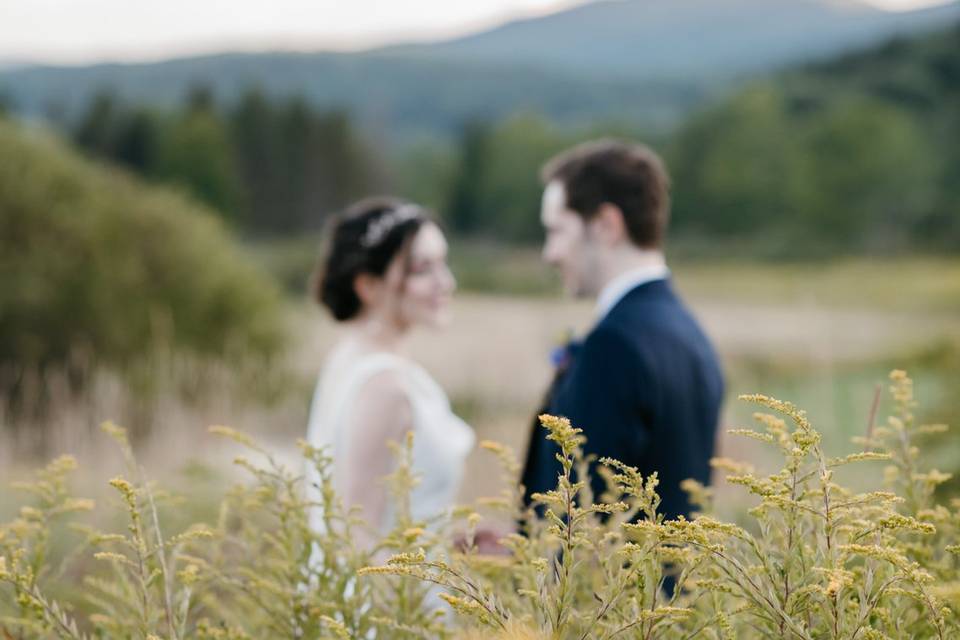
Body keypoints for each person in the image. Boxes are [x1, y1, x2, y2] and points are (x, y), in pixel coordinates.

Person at [521, 140, 724, 523]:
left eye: (557, 231)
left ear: (606, 225)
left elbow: (585, 518)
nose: (550, 253)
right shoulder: (690, 333)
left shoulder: (614, 345)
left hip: (613, 580)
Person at [305, 197, 474, 546]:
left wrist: (454, 544)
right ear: (368, 285)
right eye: (422, 269)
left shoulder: (351, 358)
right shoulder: (385, 386)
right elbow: (361, 538)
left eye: (443, 264)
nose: (446, 282)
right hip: (400, 596)